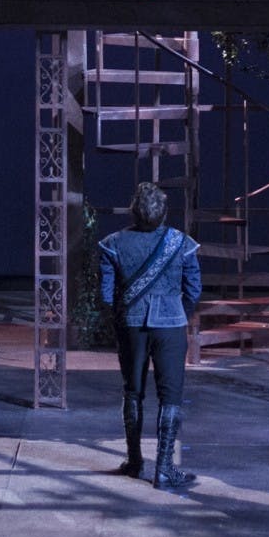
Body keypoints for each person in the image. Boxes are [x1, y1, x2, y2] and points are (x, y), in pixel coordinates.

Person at [99, 182, 202, 489]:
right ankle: (165, 469)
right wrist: (174, 310)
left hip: (131, 325)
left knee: (133, 392)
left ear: (134, 210)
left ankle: (134, 462)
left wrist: (122, 320)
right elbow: (193, 289)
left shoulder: (112, 243)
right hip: (170, 326)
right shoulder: (181, 243)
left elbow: (107, 296)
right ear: (164, 212)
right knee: (170, 397)